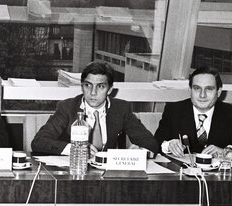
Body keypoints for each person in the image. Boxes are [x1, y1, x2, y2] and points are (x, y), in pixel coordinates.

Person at [31, 61, 160, 156]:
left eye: (100, 86)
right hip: (74, 172)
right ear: (82, 87)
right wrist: (75, 149)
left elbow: (151, 143)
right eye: (88, 85)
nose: (93, 92)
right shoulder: (67, 107)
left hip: (106, 177)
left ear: (109, 90)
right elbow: (39, 142)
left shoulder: (121, 109)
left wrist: (140, 152)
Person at [154, 66, 232, 159]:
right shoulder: (174, 110)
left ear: (218, 92)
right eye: (197, 88)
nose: (202, 95)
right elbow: (155, 143)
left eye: (209, 89)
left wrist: (227, 151)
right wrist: (168, 145)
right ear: (190, 90)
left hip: (220, 182)